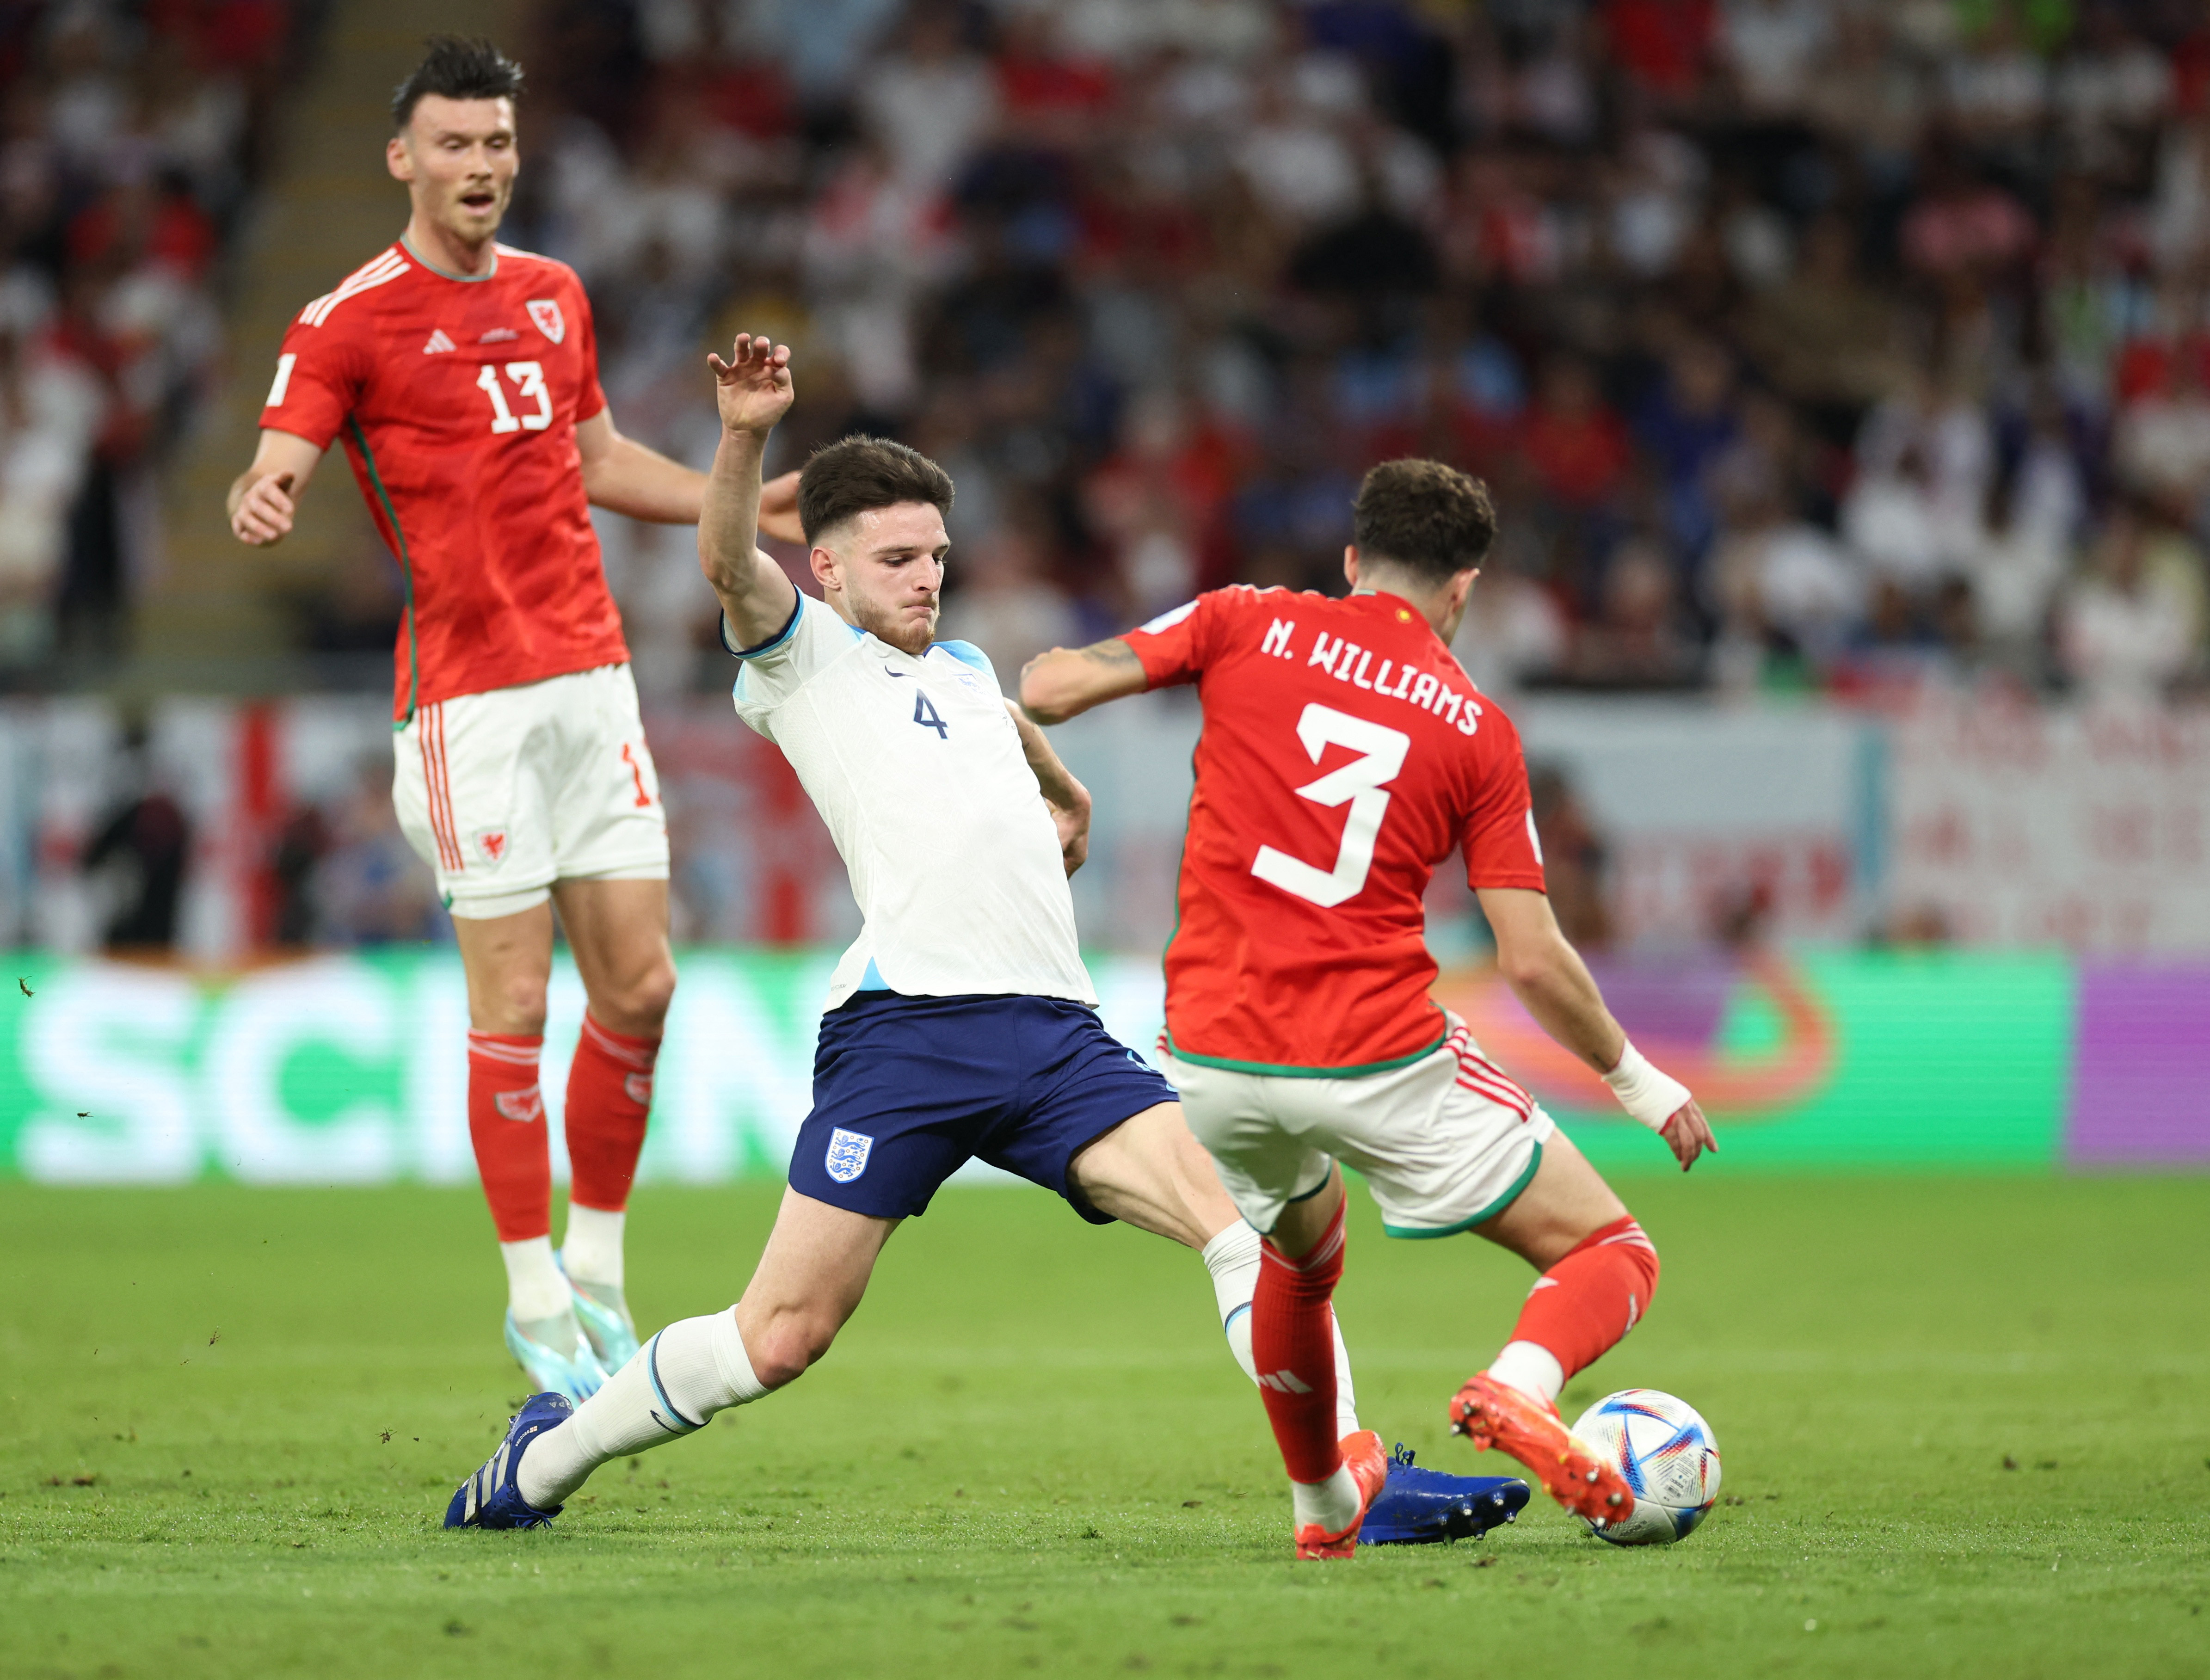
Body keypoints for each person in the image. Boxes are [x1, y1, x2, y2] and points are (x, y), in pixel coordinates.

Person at [443, 340, 1526, 1556]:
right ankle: (542, 1456)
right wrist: (743, 435)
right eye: (897, 560)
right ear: (830, 565)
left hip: (1056, 1039)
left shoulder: (959, 669)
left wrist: (1065, 799)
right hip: (907, 1035)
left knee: (1245, 1226)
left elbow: (1007, 737)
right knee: (781, 1335)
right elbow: (722, 559)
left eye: (937, 559)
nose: (924, 581)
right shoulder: (800, 657)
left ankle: (1342, 1489)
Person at [1017, 458, 1719, 1536]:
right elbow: (1529, 955)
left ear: (1350, 560)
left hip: (1209, 1058)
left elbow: (1052, 687)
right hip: (1374, 1056)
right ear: (1463, 588)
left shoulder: (1241, 618)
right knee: (1610, 1251)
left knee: (1298, 1261)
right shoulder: (1476, 729)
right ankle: (1521, 1388)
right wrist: (1637, 1079)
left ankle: (1322, 1503)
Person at [224, 38, 737, 1399]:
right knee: (514, 999)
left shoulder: (556, 295)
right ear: (402, 158)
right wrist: (268, 490)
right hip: (468, 706)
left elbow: (601, 461)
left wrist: (752, 499)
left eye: (498, 145)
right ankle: (530, 1297)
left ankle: (601, 1266)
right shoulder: (348, 319)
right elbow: (281, 447)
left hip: (593, 677)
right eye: (453, 145)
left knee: (641, 984)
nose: (480, 168)